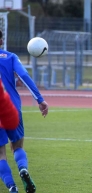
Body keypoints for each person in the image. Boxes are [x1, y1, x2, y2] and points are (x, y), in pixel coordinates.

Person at [0, 30, 49, 193]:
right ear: (1, 41)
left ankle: (12, 187)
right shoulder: (10, 57)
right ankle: (22, 169)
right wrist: (40, 99)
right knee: (17, 145)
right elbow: (24, 76)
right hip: (11, 107)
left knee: (0, 153)